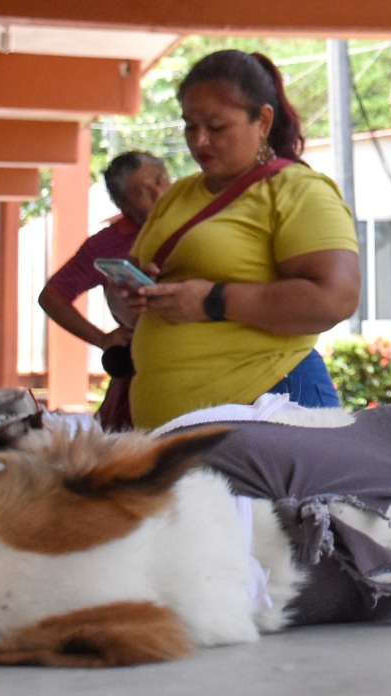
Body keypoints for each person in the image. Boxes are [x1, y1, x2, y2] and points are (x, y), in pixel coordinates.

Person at [120, 49, 361, 428]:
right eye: (189, 126)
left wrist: (213, 301)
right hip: (171, 430)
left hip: (269, 406)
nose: (199, 140)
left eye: (216, 127)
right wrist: (133, 296)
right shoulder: (179, 196)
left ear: (262, 120)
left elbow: (335, 297)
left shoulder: (298, 190)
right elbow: (129, 282)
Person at [37, 150, 171, 355]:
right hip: (145, 355)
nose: (159, 194)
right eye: (142, 192)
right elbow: (52, 297)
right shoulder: (106, 245)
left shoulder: (199, 219)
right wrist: (103, 339)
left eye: (160, 181)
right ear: (123, 204)